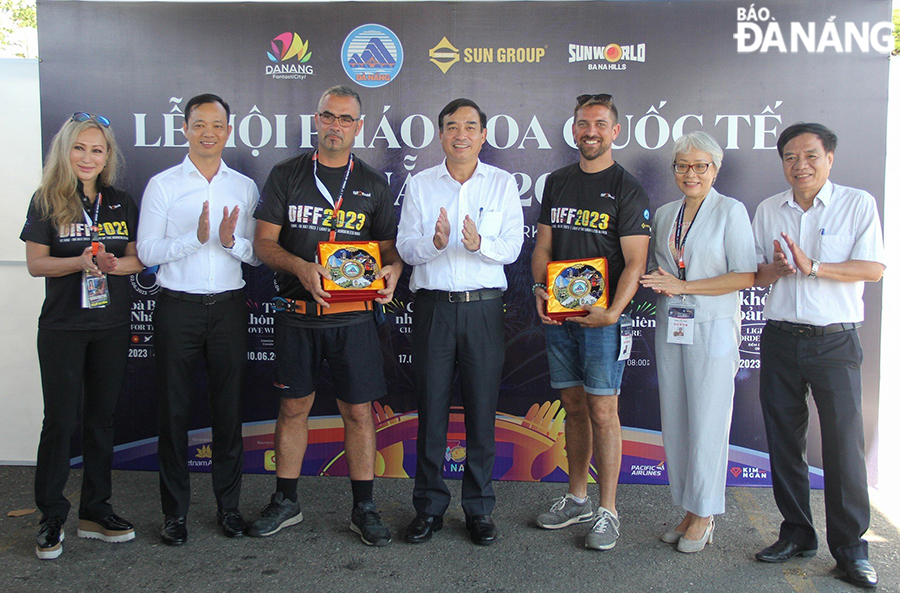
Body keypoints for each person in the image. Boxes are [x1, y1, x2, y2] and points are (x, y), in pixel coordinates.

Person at [248, 85, 402, 547]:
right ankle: (286, 501)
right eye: (328, 117)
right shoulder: (286, 174)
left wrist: (393, 270)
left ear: (360, 127)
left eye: (345, 119)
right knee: (293, 408)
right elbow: (263, 243)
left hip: (353, 317)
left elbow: (390, 251)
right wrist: (300, 266)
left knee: (358, 412)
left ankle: (365, 508)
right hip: (298, 314)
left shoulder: (374, 183)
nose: (335, 126)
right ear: (316, 121)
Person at [751, 123, 884, 589]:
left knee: (844, 448)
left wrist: (813, 267)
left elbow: (873, 268)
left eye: (809, 155)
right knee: (784, 441)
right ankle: (796, 534)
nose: (800, 165)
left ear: (830, 157)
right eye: (790, 157)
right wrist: (778, 267)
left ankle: (851, 550)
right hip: (782, 337)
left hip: (835, 342)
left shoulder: (857, 203)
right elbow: (758, 275)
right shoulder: (769, 209)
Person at [397, 98, 524, 546]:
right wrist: (434, 242)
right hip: (433, 308)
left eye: (470, 126)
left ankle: (479, 509)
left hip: (484, 309)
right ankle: (429, 507)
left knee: (481, 412)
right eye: (452, 126)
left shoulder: (502, 184)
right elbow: (406, 248)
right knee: (430, 411)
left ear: (483, 135)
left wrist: (478, 242)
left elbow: (511, 248)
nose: (461, 134)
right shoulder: (420, 184)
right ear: (440, 135)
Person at [137, 94, 261, 545]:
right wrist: (196, 238)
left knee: (228, 412)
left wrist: (229, 242)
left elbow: (255, 255)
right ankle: (175, 514)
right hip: (178, 308)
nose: (209, 131)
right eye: (199, 123)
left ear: (229, 131)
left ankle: (229, 508)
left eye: (218, 124)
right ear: (185, 128)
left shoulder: (244, 188)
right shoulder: (164, 184)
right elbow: (147, 252)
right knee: (173, 413)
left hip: (228, 307)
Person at [531, 93, 650, 550]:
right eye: (583, 123)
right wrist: (542, 290)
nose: (591, 131)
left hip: (603, 320)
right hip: (559, 318)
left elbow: (636, 263)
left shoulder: (626, 187)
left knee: (604, 411)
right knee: (575, 407)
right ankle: (577, 497)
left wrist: (613, 314)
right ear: (574, 129)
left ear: (615, 130)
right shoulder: (557, 182)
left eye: (600, 123)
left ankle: (608, 511)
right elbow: (542, 247)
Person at [21, 112, 142, 559]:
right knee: (60, 422)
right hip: (63, 328)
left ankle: (95, 510)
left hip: (110, 326)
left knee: (101, 421)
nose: (88, 158)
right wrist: (80, 263)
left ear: (107, 156)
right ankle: (51, 515)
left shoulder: (119, 200)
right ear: (65, 152)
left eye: (97, 150)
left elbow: (137, 260)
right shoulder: (47, 200)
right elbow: (37, 264)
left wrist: (111, 265)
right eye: (80, 148)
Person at [639, 131, 756, 553]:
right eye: (682, 166)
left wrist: (684, 283)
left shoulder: (731, 211)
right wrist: (655, 280)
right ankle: (688, 507)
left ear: (715, 168)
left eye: (700, 166)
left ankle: (706, 514)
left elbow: (745, 276)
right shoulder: (667, 213)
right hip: (674, 325)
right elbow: (661, 268)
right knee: (678, 419)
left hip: (713, 327)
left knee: (708, 419)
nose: (691, 173)